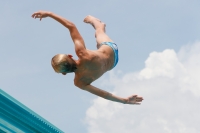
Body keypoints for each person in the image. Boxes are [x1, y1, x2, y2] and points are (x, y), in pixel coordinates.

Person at [32, 11, 143, 104]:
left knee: (97, 46)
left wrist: (125, 100)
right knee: (99, 32)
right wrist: (49, 14)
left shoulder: (79, 82)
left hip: (113, 63)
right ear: (70, 56)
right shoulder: (81, 53)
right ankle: (96, 22)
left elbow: (104, 94)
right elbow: (71, 26)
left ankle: (98, 28)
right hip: (110, 48)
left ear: (64, 73)